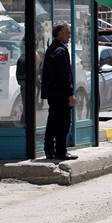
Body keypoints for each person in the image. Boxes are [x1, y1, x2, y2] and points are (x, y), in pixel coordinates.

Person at [41, 21, 77, 161]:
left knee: (53, 122)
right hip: (60, 94)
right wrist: (70, 94)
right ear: (60, 34)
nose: (70, 35)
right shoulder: (60, 51)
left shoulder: (53, 48)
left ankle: (49, 150)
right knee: (62, 123)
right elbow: (64, 76)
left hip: (54, 94)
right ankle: (61, 151)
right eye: (67, 32)